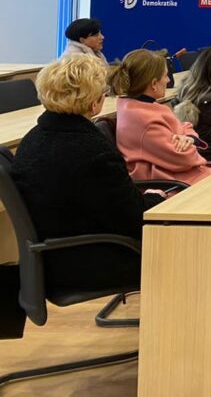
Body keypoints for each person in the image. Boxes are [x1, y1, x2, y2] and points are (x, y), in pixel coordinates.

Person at [11, 56, 165, 294]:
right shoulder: (92, 151)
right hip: (92, 262)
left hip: (54, 258)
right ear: (94, 104)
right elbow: (133, 218)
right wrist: (156, 198)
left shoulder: (33, 139)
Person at [109, 49, 211, 186]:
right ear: (154, 84)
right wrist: (188, 139)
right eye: (165, 76)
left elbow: (184, 126)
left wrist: (189, 138)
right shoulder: (145, 120)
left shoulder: (137, 106)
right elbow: (185, 158)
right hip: (174, 183)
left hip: (178, 177)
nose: (168, 80)